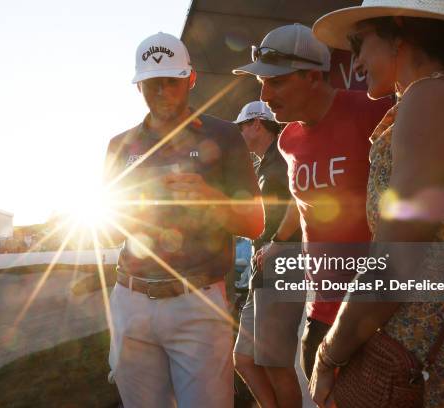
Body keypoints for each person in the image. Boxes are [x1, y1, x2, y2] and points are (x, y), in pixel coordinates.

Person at [310, 1, 444, 406]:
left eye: (359, 41)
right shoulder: (436, 99)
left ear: (399, 31)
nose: (357, 58)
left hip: (434, 363)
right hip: (438, 350)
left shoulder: (431, 97)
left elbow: (397, 255)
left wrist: (330, 350)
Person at [103, 32, 264, 408]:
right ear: (138, 85)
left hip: (198, 301)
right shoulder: (120, 145)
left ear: (191, 80)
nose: (162, 92)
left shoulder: (224, 136)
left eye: (171, 82)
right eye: (152, 84)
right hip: (130, 298)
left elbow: (255, 223)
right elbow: (108, 230)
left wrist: (210, 198)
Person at [233, 23, 391, 382]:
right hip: (320, 310)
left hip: (375, 311)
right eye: (262, 83)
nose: (265, 94)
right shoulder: (288, 140)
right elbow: (303, 197)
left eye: (276, 81)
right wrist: (278, 242)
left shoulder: (374, 112)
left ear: (313, 77)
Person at [232, 101, 304, 408]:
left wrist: (278, 241)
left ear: (257, 125)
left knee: (275, 364)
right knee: (243, 358)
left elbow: (302, 201)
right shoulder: (264, 164)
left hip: (283, 264)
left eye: (241, 127)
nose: (239, 133)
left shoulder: (284, 160)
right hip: (263, 268)